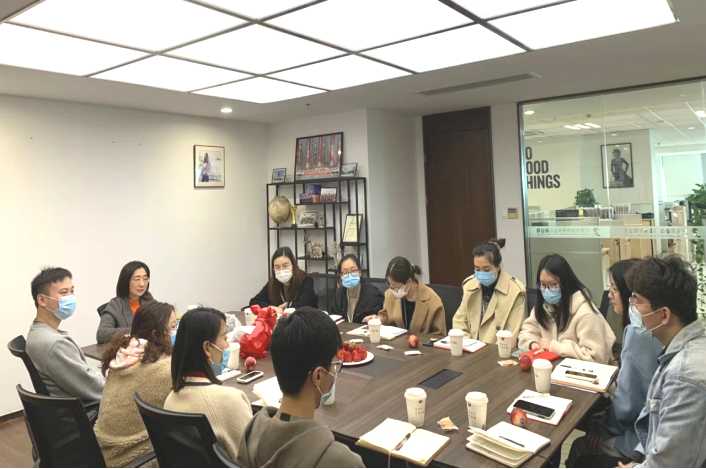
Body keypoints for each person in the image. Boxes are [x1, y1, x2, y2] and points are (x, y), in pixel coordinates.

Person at [238, 307, 364, 467]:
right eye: (334, 365)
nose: (335, 371)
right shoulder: (342, 461)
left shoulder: (251, 433)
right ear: (318, 376)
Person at [566, 259, 661, 467]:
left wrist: (605, 416)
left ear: (630, 295)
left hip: (639, 437)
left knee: (581, 447)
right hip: (647, 430)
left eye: (614, 289)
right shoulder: (649, 330)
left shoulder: (639, 334)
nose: (609, 295)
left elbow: (627, 410)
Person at [618, 256, 706, 468]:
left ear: (664, 314)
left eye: (637, 300)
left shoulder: (683, 377)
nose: (632, 306)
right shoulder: (683, 348)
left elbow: (668, 464)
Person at [94, 301, 176, 467]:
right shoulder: (163, 368)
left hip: (103, 450)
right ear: (157, 333)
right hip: (134, 457)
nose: (176, 331)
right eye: (173, 327)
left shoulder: (123, 355)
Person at [164, 307, 252, 461]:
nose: (227, 345)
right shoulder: (230, 400)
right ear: (207, 347)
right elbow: (253, 456)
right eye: (224, 338)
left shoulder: (170, 400)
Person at [25, 267, 104, 403]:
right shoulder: (54, 343)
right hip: (87, 408)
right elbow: (95, 388)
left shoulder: (37, 332)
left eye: (72, 291)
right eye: (64, 292)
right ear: (42, 300)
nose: (71, 298)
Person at [518, 254, 615, 364]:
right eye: (543, 285)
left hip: (581, 373)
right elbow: (526, 332)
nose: (547, 290)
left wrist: (554, 347)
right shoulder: (543, 306)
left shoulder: (586, 312)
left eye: (553, 284)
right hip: (551, 368)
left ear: (565, 283)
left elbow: (596, 357)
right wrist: (532, 344)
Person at [452, 239, 526, 342]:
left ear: (498, 266)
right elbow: (459, 322)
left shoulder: (515, 291)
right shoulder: (470, 285)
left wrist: (486, 350)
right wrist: (467, 344)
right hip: (469, 347)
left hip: (498, 349)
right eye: (477, 269)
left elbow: (513, 334)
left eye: (486, 270)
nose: (481, 273)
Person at [368, 257, 446, 336]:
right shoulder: (390, 294)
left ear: (409, 282)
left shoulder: (432, 300)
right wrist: (378, 320)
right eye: (391, 286)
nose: (393, 291)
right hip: (396, 342)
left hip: (421, 343)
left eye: (396, 287)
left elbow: (439, 336)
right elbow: (387, 317)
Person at [97, 260, 154, 344]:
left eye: (145, 279)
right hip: (127, 350)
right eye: (137, 279)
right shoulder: (115, 305)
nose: (142, 284)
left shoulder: (148, 299)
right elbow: (102, 334)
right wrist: (135, 331)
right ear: (126, 281)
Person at [249, 247, 317, 312]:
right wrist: (271, 308)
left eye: (285, 266)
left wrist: (287, 307)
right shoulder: (272, 283)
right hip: (280, 319)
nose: (281, 270)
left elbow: (304, 305)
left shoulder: (306, 280)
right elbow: (254, 302)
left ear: (293, 265)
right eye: (277, 267)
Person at [332, 254, 384, 323]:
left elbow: (379, 317)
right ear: (341, 276)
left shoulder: (373, 294)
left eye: (353, 270)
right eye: (345, 272)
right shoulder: (339, 293)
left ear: (360, 272)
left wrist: (374, 318)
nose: (349, 275)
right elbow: (335, 317)